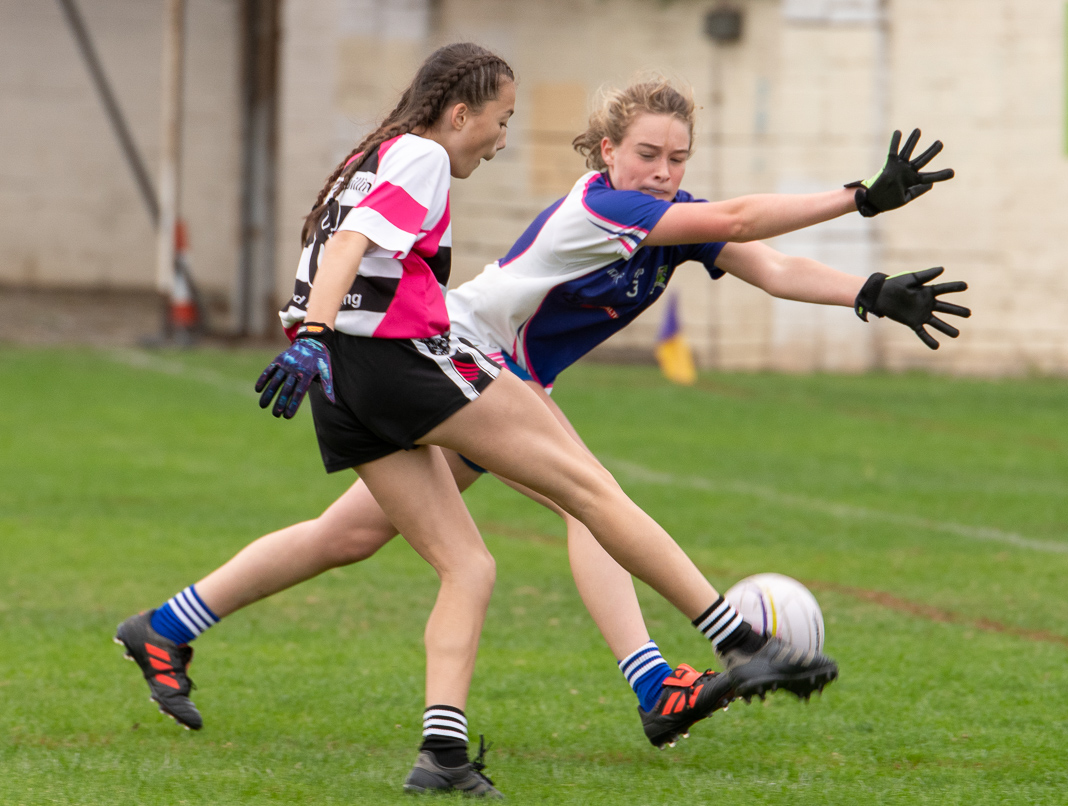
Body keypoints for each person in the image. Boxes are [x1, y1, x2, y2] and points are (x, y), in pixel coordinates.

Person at [116, 55, 867, 798]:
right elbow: (351, 246)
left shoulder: (392, 153)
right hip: (446, 359)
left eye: (677, 157)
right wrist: (857, 197)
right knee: (589, 496)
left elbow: (763, 259)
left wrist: (870, 289)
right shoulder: (536, 187)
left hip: (374, 369)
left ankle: (172, 628)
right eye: (501, 120)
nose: (502, 139)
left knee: (375, 541)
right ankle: (695, 662)